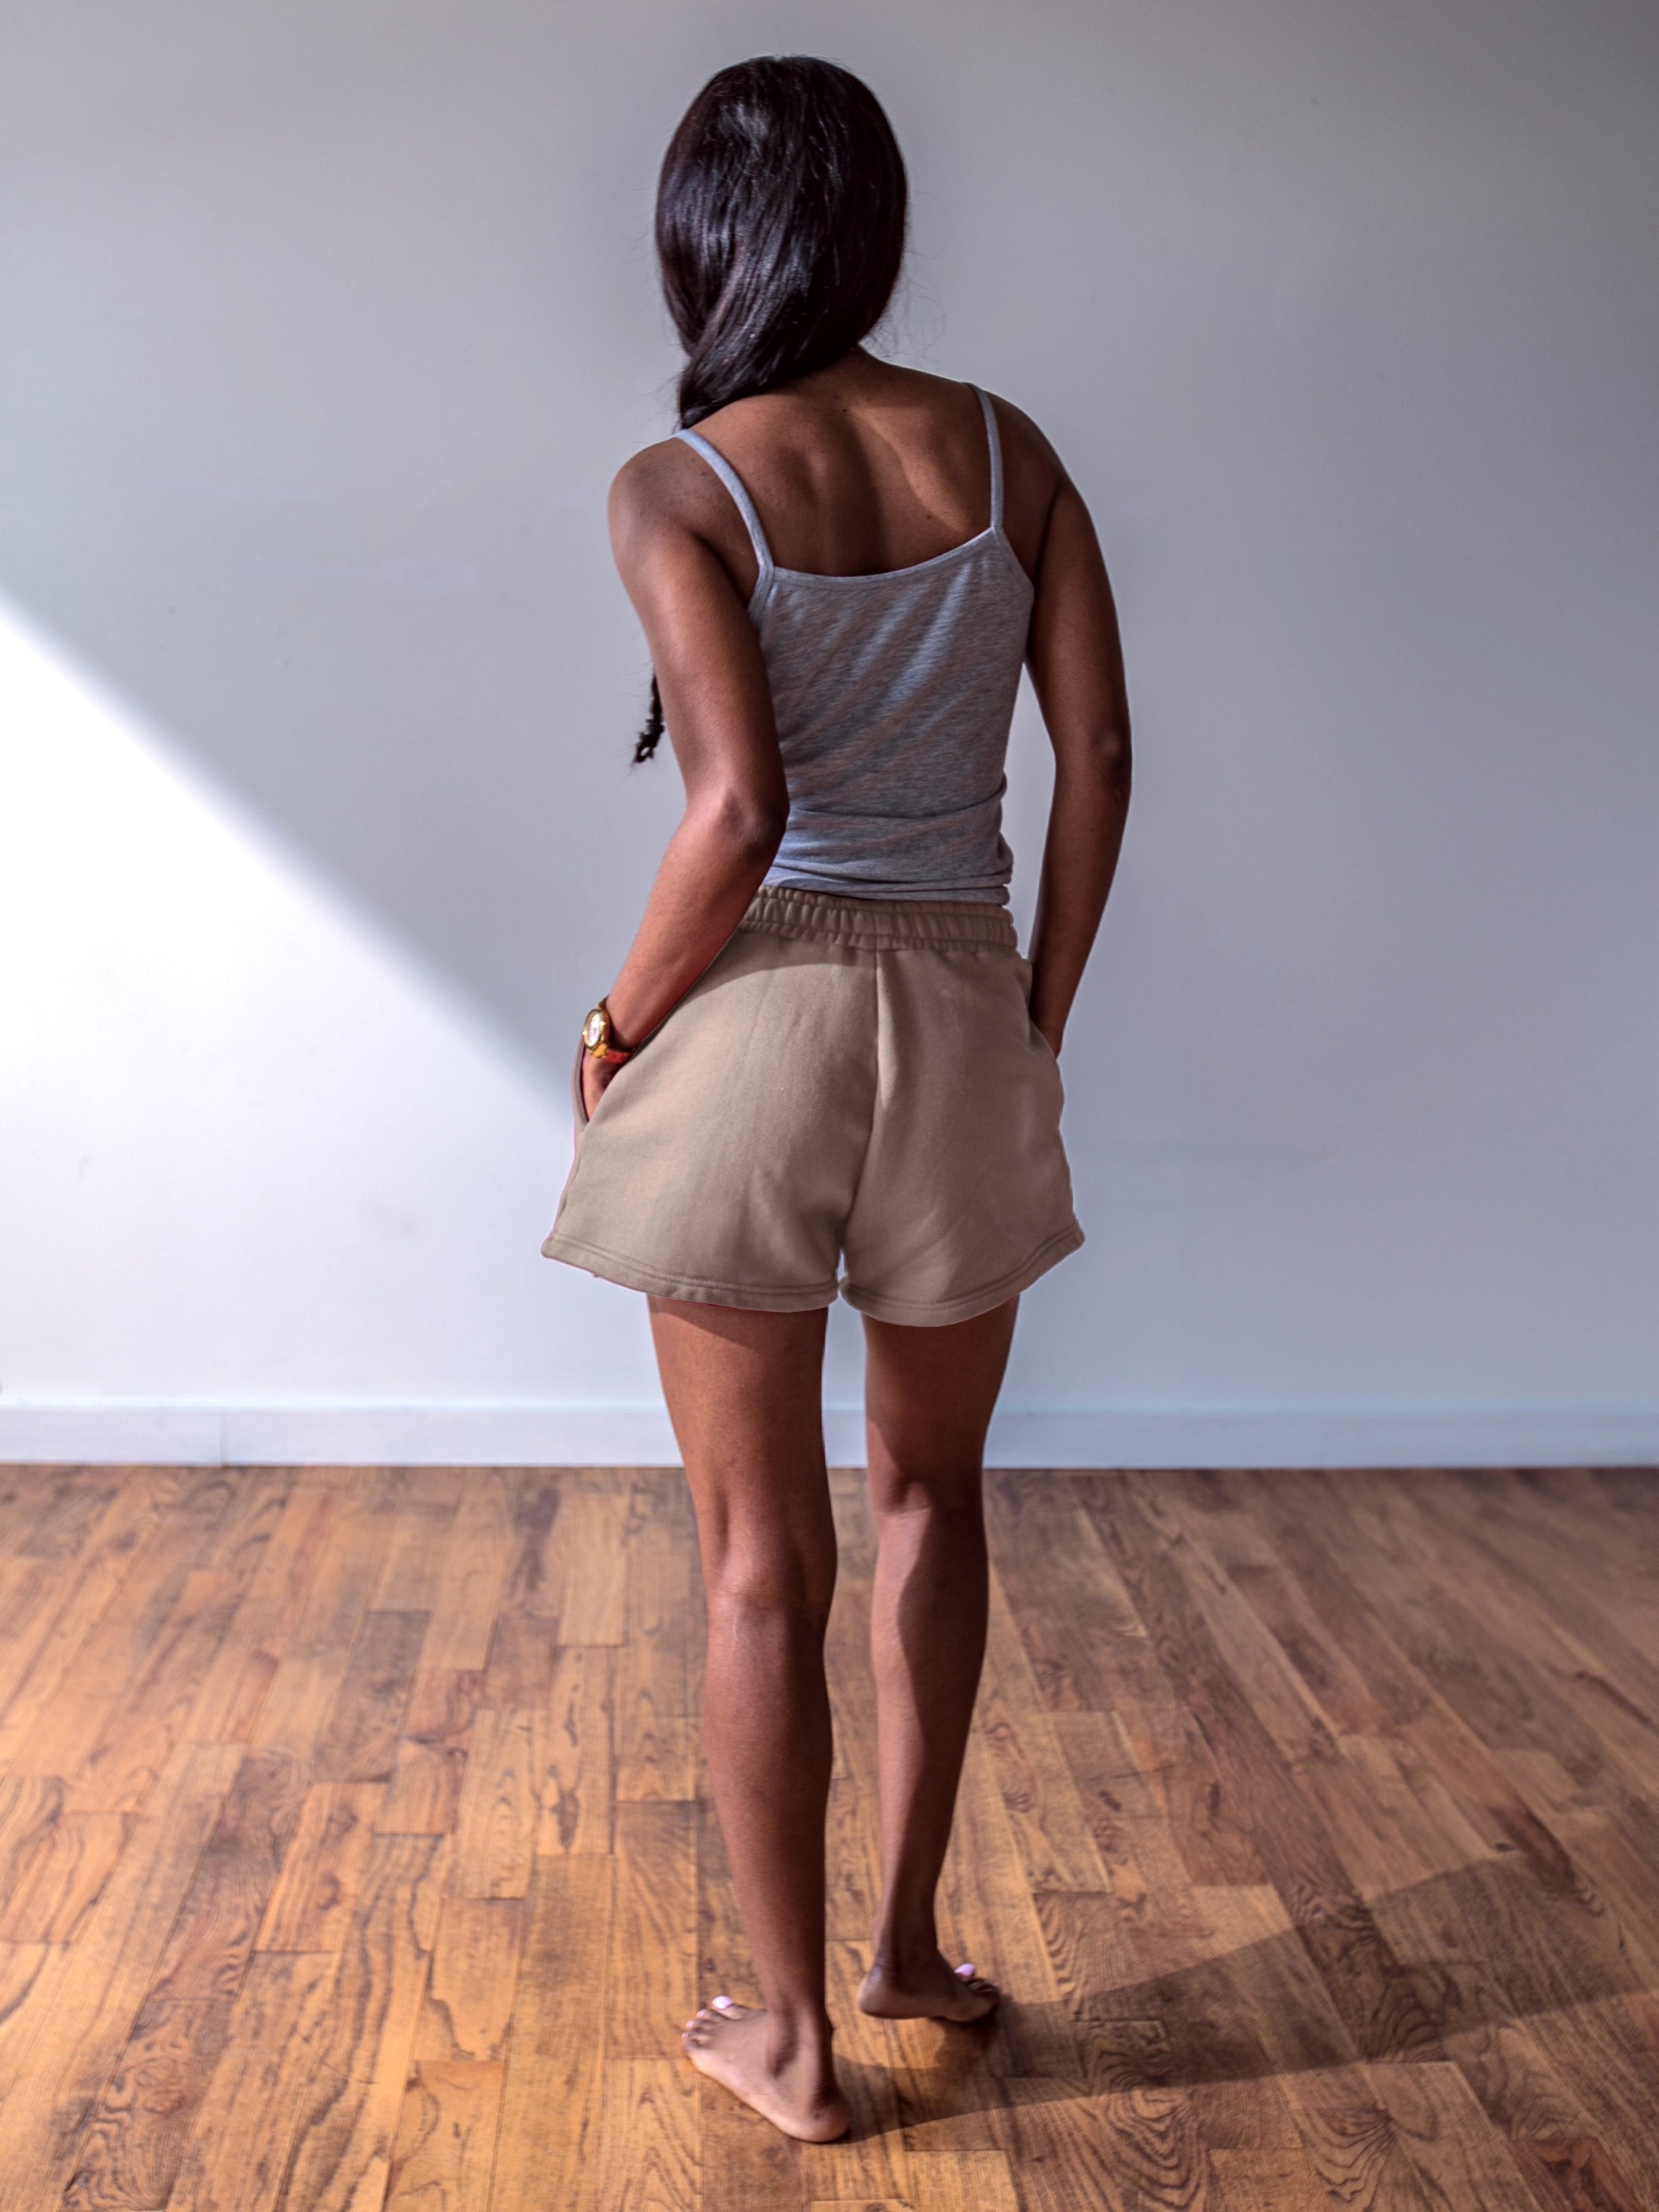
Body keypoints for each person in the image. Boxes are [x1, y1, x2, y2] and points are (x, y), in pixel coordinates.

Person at [542, 54, 1131, 2143]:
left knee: (753, 1564)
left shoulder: (680, 484)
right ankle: (907, 1951)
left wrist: (616, 1026)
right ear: (873, 228)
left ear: (703, 239)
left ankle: (788, 2039)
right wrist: (1032, 1016)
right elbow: (1099, 762)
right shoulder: (1010, 453)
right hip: (962, 1015)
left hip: (756, 1038)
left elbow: (734, 811)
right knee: (930, 1501)